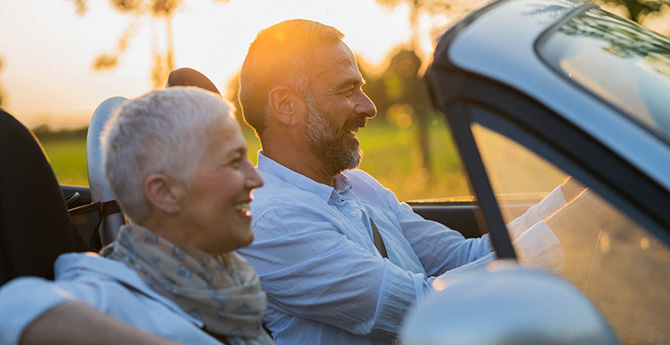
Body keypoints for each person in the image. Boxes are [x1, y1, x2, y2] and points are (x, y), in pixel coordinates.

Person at [236, 19, 567, 344]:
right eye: (347, 89)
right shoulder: (274, 222)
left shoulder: (359, 186)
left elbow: (463, 256)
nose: (369, 107)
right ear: (286, 105)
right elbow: (424, 308)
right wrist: (570, 232)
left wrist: (572, 197)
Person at [0, 87, 274, 345]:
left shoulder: (233, 282)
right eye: (234, 161)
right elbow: (15, 305)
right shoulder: (115, 296)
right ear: (164, 192)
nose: (256, 179)